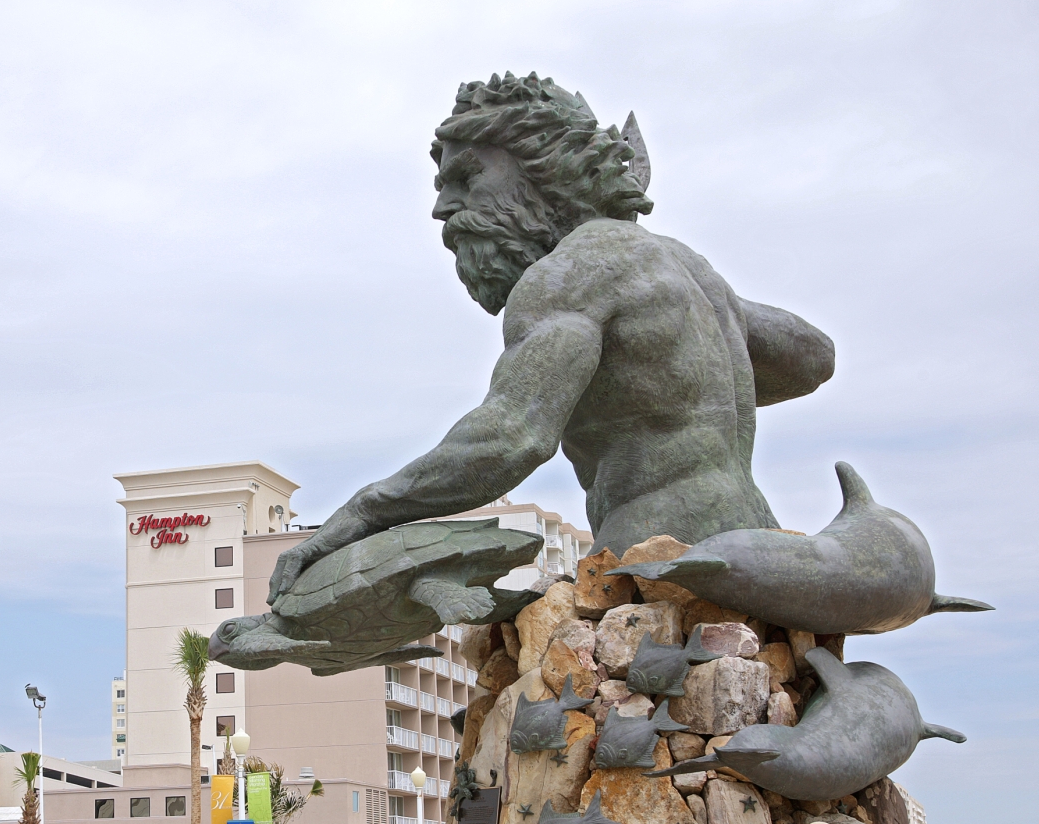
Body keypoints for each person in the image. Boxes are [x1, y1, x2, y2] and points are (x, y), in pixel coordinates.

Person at [266, 73, 834, 606]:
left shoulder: (571, 274)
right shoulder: (680, 266)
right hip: (756, 546)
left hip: (657, 567)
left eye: (467, 177)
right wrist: (681, 356)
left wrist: (361, 513)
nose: (443, 207)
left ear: (546, 169)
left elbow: (511, 436)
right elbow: (811, 356)